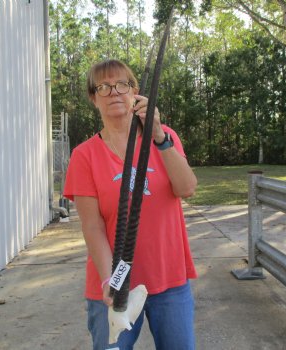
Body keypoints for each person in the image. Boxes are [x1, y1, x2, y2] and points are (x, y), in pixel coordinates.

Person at [63, 59, 198, 350]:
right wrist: (108, 281)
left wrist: (160, 137)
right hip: (115, 285)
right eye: (103, 86)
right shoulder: (84, 155)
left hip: (169, 278)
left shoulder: (166, 137)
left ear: (135, 91)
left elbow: (187, 189)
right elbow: (92, 225)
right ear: (93, 97)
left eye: (122, 84)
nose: (114, 92)